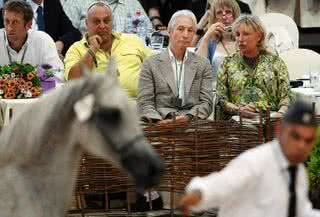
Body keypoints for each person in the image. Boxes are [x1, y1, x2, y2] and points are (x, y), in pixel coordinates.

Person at [180, 100, 320, 217]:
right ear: (279, 131)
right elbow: (217, 185)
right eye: (295, 136)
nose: (301, 146)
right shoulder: (256, 162)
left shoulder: (298, 172)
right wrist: (197, 195)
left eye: (308, 140)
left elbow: (301, 211)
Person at [137, 10, 213, 124]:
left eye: (190, 30)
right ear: (169, 30)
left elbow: (206, 102)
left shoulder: (203, 64)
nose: (186, 35)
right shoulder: (150, 64)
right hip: (159, 121)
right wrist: (159, 122)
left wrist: (188, 118)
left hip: (193, 122)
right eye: (181, 29)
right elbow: (145, 102)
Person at [64, 1, 152, 99]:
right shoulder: (76, 49)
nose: (102, 26)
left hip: (138, 105)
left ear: (112, 22)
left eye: (106, 21)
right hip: (99, 108)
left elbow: (157, 67)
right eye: (96, 21)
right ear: (87, 23)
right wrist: (92, 50)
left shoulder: (132, 40)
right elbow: (73, 82)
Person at [216, 15, 290, 120]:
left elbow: (286, 96)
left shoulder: (275, 62)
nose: (240, 39)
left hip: (271, 120)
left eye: (246, 34)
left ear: (259, 36)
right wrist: (238, 110)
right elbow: (220, 99)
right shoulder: (227, 63)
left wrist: (280, 114)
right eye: (237, 34)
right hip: (238, 122)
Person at [0, 0, 82, 55]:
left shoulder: (52, 3)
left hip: (48, 63)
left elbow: (74, 33)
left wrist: (61, 43)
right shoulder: (12, 4)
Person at [0, 0, 63, 70]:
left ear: (29, 24)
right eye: (7, 21)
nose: (9, 28)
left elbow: (57, 73)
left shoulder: (43, 41)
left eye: (15, 22)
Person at [195, 0, 241, 83]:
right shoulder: (209, 41)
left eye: (228, 12)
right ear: (215, 19)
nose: (224, 17)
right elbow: (197, 69)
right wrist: (206, 37)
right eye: (219, 13)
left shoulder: (243, 39)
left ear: (235, 16)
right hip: (214, 91)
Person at [63, 0, 152, 35]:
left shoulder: (132, 3)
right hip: (91, 56)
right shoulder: (76, 2)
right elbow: (67, 36)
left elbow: (148, 31)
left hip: (129, 56)